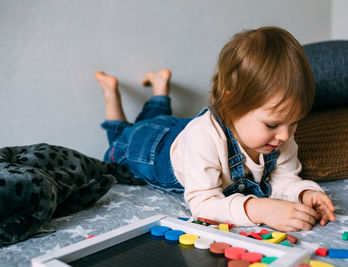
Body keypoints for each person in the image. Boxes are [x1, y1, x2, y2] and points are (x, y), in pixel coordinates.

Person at [95, 26, 335, 232]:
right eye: (272, 124)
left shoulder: (279, 137)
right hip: (151, 150)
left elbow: (284, 181)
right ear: (231, 104)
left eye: (294, 122)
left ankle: (160, 89)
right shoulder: (204, 138)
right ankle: (111, 94)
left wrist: (304, 192)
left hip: (181, 130)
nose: (285, 135)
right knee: (120, 143)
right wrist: (257, 209)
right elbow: (203, 204)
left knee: (159, 120)